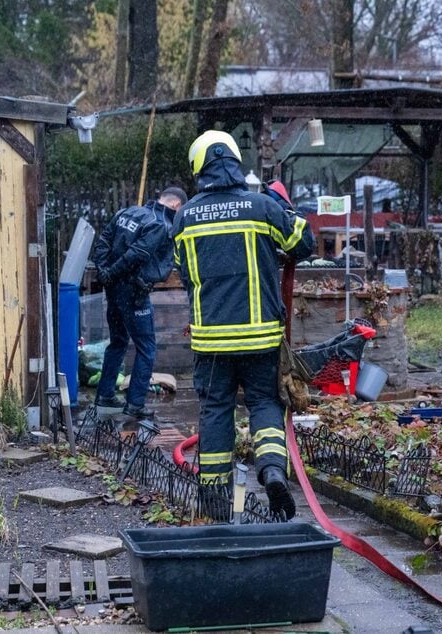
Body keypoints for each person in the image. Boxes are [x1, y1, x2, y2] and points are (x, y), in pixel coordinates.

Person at [172, 130, 314, 519]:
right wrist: (283, 204)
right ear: (236, 162)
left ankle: (215, 499)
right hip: (261, 338)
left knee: (216, 410)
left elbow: (184, 272)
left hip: (211, 341)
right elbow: (304, 243)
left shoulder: (185, 217)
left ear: (199, 167)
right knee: (265, 403)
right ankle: (271, 471)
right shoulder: (261, 207)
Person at [93, 187, 188, 418]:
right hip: (133, 292)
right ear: (176, 205)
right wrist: (113, 273)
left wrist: (104, 271)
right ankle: (135, 404)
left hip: (113, 289)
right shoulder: (160, 224)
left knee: (118, 341)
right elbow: (137, 254)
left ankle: (105, 395)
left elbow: (104, 240)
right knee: (147, 348)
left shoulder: (128, 212)